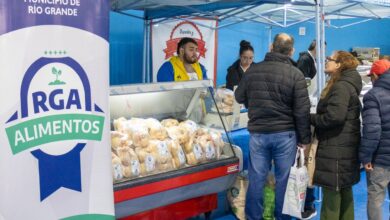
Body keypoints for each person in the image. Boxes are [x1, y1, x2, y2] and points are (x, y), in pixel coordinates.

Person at [235, 33, 311, 220]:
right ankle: (283, 217)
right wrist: (304, 139)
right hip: (285, 135)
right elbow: (302, 111)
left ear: (271, 47)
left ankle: (254, 217)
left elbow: (238, 97)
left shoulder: (253, 70)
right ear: (291, 51)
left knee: (256, 180)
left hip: (258, 134)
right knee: (284, 180)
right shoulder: (296, 74)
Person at [311, 51, 362, 220]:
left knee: (332, 195)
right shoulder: (347, 84)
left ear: (339, 64)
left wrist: (311, 118)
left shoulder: (340, 86)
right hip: (343, 146)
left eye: (329, 60)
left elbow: (334, 117)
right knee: (345, 192)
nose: (326, 62)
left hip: (336, 148)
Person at [359, 59, 390, 220]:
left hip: (381, 158)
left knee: (376, 199)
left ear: (376, 76)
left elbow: (372, 129)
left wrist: (366, 157)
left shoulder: (372, 96)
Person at [297, 40, 319, 220]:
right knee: (305, 167)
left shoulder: (308, 59)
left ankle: (304, 203)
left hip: (303, 126)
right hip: (305, 128)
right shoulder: (305, 59)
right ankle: (304, 204)